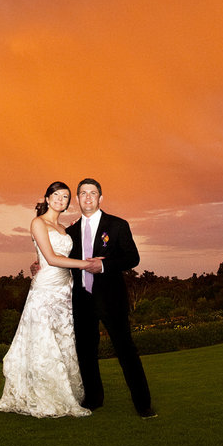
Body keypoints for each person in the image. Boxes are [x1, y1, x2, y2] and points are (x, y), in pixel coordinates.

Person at [0, 181, 103, 418]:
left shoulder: (65, 228)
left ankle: (64, 391)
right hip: (46, 289)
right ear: (46, 198)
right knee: (43, 341)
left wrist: (37, 263)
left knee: (62, 339)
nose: (60, 200)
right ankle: (42, 394)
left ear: (67, 203)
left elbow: (45, 256)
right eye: (56, 195)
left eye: (65, 197)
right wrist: (87, 265)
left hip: (65, 290)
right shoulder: (38, 222)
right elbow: (51, 258)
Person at [65, 177, 155, 419]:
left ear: (100, 198)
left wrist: (103, 268)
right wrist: (39, 267)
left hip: (111, 300)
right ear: (77, 199)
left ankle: (143, 404)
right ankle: (94, 399)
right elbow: (63, 264)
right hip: (82, 300)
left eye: (92, 193)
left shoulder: (117, 225)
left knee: (126, 351)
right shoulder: (69, 232)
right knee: (85, 353)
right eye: (83, 193)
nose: (87, 197)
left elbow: (132, 258)